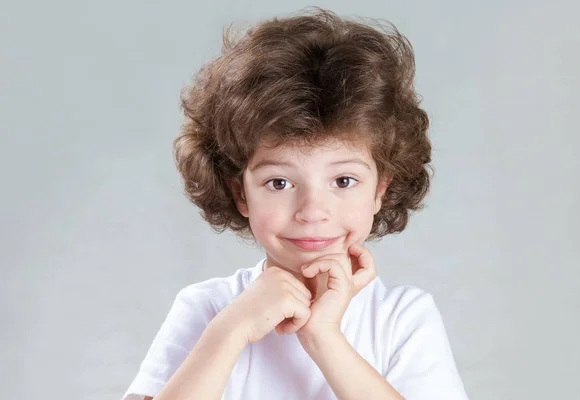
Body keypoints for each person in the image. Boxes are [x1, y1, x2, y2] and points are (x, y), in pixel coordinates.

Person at [122, 7, 469, 400]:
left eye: (343, 180)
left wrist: (323, 337)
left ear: (380, 191)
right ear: (241, 194)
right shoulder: (208, 308)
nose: (312, 211)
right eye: (280, 182)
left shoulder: (401, 318)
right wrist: (231, 329)